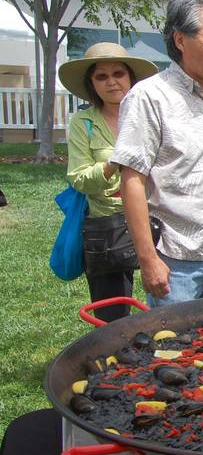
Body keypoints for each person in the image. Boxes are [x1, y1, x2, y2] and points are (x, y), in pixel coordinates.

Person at [111, 0, 203, 306]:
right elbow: (132, 179)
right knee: (174, 338)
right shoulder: (150, 97)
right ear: (180, 40)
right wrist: (148, 259)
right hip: (177, 260)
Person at [61, 43, 158, 322]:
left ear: (131, 77)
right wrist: (114, 162)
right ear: (91, 83)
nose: (111, 81)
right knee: (112, 317)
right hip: (108, 227)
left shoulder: (152, 116)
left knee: (170, 306)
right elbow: (79, 178)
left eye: (118, 73)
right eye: (101, 76)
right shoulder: (83, 123)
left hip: (158, 220)